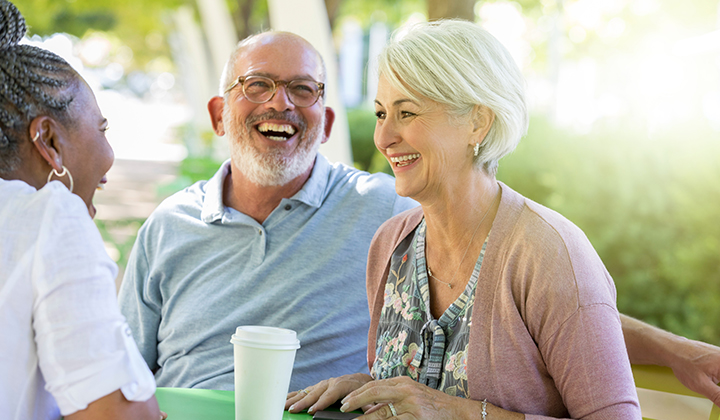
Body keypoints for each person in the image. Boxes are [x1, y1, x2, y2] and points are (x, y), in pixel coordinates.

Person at [288, 19, 644, 419]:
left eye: (406, 113)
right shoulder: (391, 246)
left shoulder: (549, 254)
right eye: (380, 113)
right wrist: (372, 390)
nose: (384, 137)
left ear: (478, 121)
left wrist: (460, 413)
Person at [117, 30, 417, 392]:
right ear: (218, 116)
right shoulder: (168, 225)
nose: (280, 103)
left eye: (303, 89)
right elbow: (124, 371)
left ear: (326, 125)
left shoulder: (389, 210)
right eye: (257, 84)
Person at [0, 1, 165, 419]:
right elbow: (117, 413)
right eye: (102, 130)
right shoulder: (49, 218)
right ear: (49, 141)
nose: (109, 157)